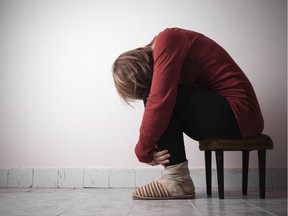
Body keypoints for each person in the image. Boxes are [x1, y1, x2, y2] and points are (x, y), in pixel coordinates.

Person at [112, 27, 264, 200]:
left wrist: (142, 151)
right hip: (231, 117)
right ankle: (176, 178)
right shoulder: (168, 52)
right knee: (160, 105)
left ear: (141, 70)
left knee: (156, 98)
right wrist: (152, 142)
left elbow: (159, 100)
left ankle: (178, 180)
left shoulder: (168, 39)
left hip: (241, 112)